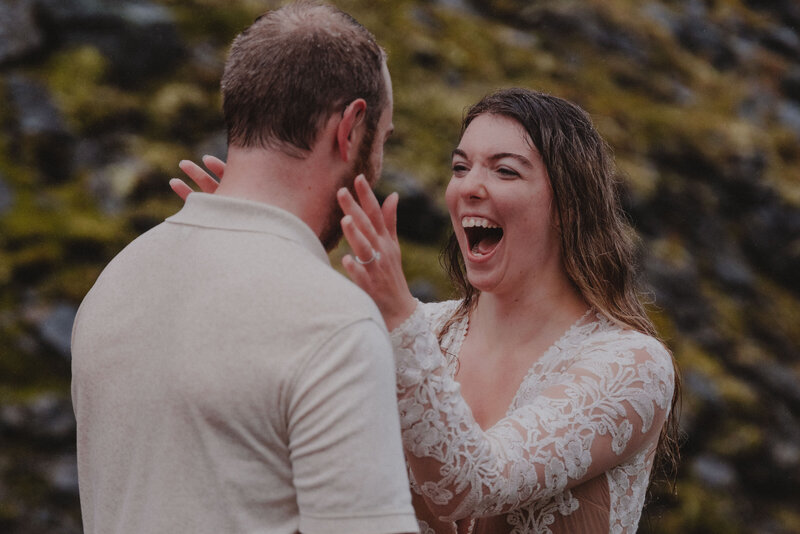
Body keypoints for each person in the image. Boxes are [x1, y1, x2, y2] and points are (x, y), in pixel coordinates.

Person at [175, 88, 679, 534]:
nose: (469, 187)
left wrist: (395, 314)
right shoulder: (424, 330)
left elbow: (473, 483)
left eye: (505, 170)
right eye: (461, 167)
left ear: (570, 204)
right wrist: (259, 246)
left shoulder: (633, 365)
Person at [70, 3, 418, 534]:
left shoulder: (115, 280)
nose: (378, 163)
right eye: (383, 139)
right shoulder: (331, 322)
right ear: (349, 129)